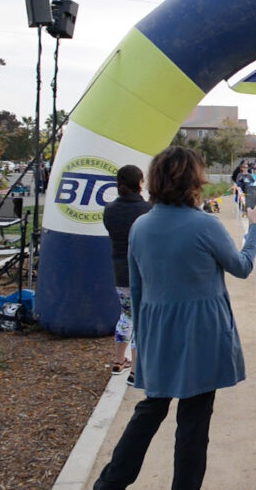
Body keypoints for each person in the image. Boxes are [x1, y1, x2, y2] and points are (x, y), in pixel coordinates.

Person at [93, 146, 256, 490]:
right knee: (194, 426)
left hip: (157, 329)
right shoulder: (204, 224)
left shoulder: (141, 226)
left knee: (150, 410)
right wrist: (255, 227)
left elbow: (137, 288)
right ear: (194, 180)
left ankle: (110, 483)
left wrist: (143, 338)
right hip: (202, 333)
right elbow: (241, 267)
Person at [102, 165, 152, 385]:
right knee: (141, 319)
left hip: (120, 270)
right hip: (143, 272)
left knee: (126, 315)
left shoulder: (110, 210)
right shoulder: (148, 210)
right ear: (140, 182)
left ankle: (118, 360)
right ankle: (137, 369)